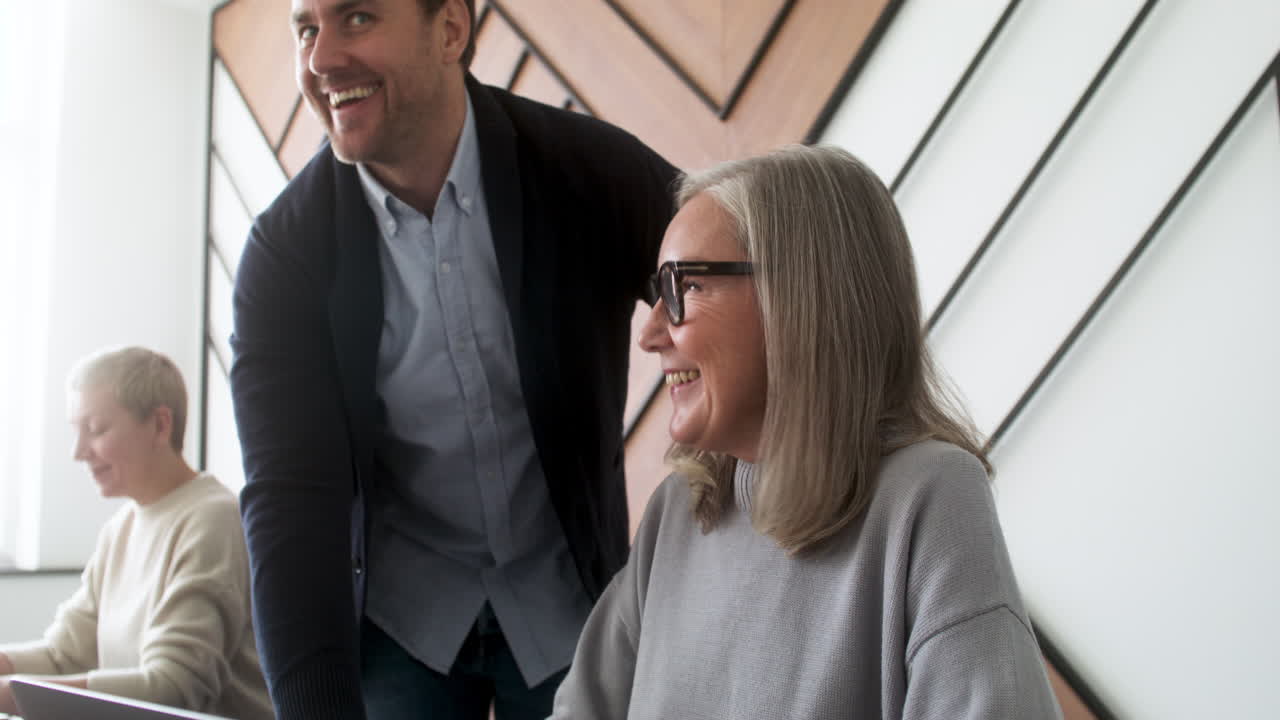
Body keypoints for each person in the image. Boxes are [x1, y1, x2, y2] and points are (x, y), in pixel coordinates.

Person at [228, 0, 677, 718]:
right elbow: (288, 501)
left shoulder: (580, 168)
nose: (320, 59)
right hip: (402, 620)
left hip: (568, 601)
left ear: (450, 30)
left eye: (357, 18)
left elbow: (723, 285)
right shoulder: (285, 254)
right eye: (306, 29)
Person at [549, 145, 1064, 719]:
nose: (649, 333)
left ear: (798, 296)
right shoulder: (680, 509)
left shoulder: (927, 497)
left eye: (684, 286)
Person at [0, 346, 272, 720]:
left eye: (96, 429)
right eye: (76, 431)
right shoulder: (121, 528)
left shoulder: (214, 519)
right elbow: (65, 655)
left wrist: (9, 696)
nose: (79, 452)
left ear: (160, 425)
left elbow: (173, 687)